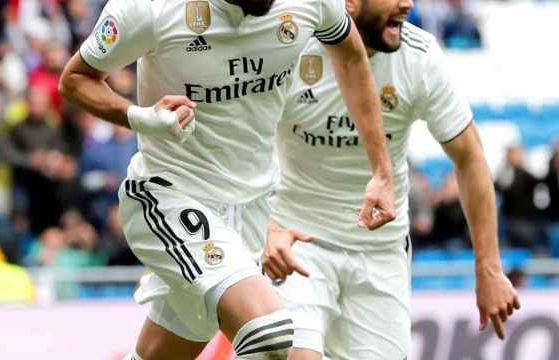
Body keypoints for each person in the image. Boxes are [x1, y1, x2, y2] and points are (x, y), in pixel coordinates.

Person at [59, 0, 396, 359]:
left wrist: (381, 170)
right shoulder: (151, 8)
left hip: (250, 208)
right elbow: (75, 78)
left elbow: (350, 57)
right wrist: (140, 117)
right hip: (171, 195)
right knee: (269, 334)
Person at [263, 0, 520, 358]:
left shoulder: (420, 56)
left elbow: (470, 159)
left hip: (380, 253)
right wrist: (267, 227)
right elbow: (245, 145)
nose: (407, 4)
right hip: (296, 242)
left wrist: (489, 269)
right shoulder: (292, 44)